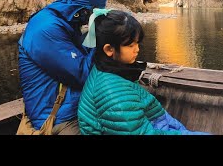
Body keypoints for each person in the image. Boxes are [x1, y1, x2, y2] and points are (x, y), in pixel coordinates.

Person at [78, 9, 209, 135]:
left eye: (137, 43)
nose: (137, 49)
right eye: (130, 45)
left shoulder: (103, 67)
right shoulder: (114, 95)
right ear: (109, 49)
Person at [18, 0, 107, 135]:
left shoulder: (67, 21)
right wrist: (101, 36)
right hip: (55, 119)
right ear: (82, 8)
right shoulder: (46, 28)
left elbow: (85, 59)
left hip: (74, 108)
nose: (90, 19)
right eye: (93, 12)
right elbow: (82, 75)